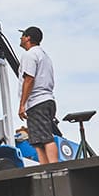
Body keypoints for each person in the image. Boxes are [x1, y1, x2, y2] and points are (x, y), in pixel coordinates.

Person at [17, 26, 59, 164]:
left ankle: (54, 166)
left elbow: (29, 79)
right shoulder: (45, 56)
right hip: (47, 99)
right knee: (38, 141)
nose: (21, 38)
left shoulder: (30, 55)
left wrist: (22, 104)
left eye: (22, 35)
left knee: (45, 138)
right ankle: (45, 167)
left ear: (28, 38)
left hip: (37, 101)